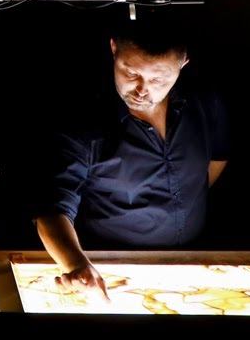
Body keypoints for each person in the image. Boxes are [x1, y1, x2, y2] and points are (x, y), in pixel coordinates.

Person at [34, 19, 229, 301]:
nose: (141, 89)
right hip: (110, 271)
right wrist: (75, 264)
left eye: (158, 79)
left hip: (193, 268)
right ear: (114, 49)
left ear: (183, 63)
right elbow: (52, 209)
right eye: (131, 72)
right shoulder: (84, 123)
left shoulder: (204, 102)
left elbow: (218, 157)